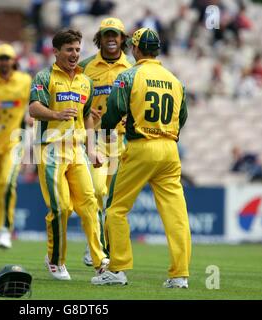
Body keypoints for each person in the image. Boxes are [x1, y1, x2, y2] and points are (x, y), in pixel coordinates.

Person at [91, 28, 191, 288]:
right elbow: (182, 118)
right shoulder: (175, 80)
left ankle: (118, 269)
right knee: (176, 216)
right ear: (156, 50)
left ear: (135, 49)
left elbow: (113, 111)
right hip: (170, 149)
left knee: (116, 209)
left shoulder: (129, 76)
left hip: (141, 147)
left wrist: (103, 132)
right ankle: (179, 275)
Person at [29, 29, 109, 281]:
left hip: (76, 150)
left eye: (77, 49)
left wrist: (92, 146)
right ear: (56, 52)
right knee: (61, 208)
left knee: (90, 203)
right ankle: (56, 261)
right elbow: (33, 108)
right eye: (69, 50)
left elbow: (85, 115)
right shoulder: (44, 77)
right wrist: (55, 114)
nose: (74, 54)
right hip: (51, 150)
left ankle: (101, 261)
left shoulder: (86, 81)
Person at [78, 17, 133, 267]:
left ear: (123, 39)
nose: (111, 39)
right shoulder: (86, 66)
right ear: (99, 39)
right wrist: (85, 114)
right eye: (107, 35)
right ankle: (95, 246)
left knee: (114, 200)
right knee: (98, 191)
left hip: (122, 141)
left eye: (116, 35)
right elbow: (73, 97)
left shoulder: (132, 67)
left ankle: (106, 250)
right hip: (96, 138)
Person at [0, 43, 32, 249]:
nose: (4, 62)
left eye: (7, 58)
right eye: (1, 58)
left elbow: (33, 102)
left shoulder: (25, 81)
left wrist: (30, 116)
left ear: (14, 61)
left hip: (14, 142)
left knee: (8, 182)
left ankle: (6, 230)